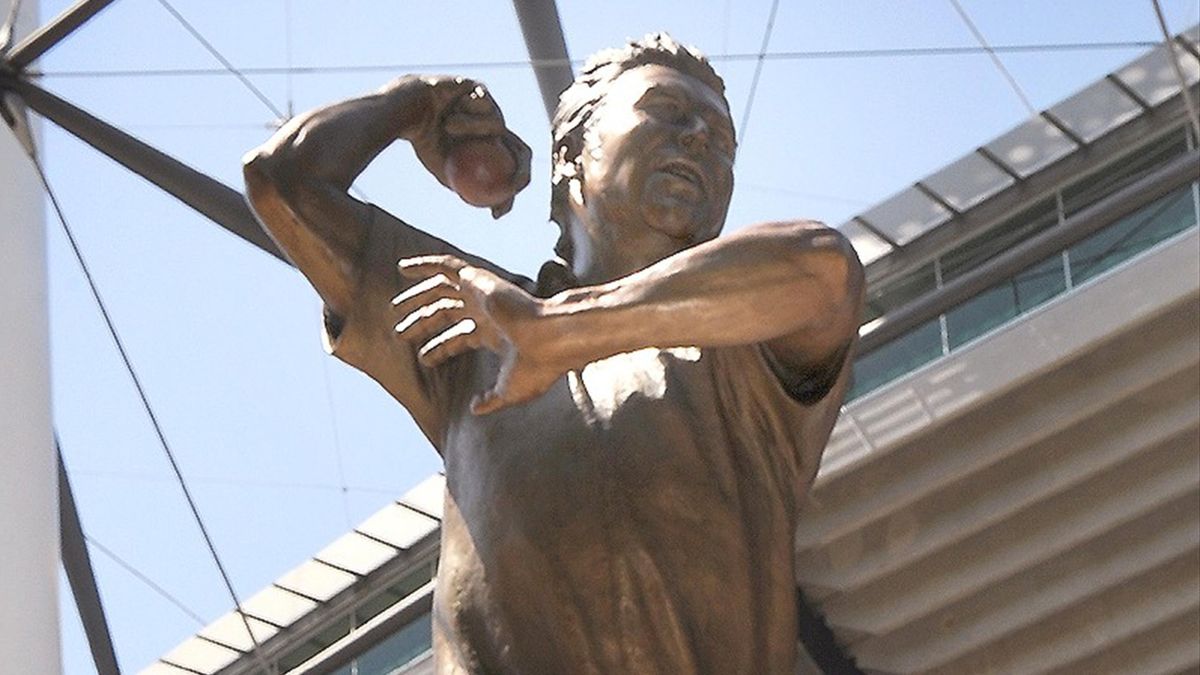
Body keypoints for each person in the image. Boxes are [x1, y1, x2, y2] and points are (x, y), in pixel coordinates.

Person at [244, 32, 863, 675]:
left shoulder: (747, 339)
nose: (702, 138)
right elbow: (283, 185)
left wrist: (555, 331)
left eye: (723, 139)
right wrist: (413, 105)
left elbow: (823, 269)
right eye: (667, 111)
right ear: (571, 154)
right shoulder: (467, 325)